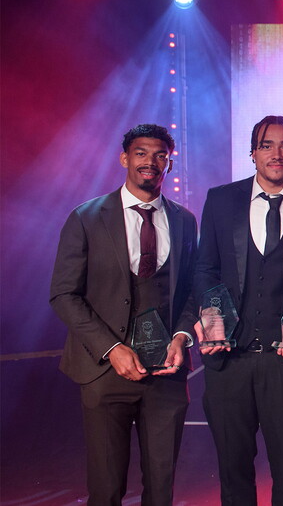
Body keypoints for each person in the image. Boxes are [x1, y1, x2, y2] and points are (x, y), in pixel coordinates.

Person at [193, 115, 283, 505]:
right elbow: (205, 266)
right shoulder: (221, 200)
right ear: (252, 153)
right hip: (229, 360)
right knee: (233, 470)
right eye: (267, 145)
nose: (277, 154)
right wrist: (212, 319)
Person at [50, 124, 197, 505]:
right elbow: (64, 294)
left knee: (161, 489)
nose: (151, 161)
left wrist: (181, 337)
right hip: (104, 372)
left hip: (165, 376)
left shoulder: (184, 221)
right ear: (124, 158)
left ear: (169, 162)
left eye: (160, 154)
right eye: (141, 153)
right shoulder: (86, 217)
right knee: (106, 488)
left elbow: (191, 292)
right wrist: (112, 348)